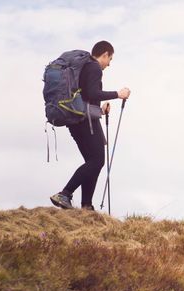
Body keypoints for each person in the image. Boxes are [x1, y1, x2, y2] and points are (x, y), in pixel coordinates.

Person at [50, 41, 131, 210]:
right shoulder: (94, 67)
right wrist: (118, 94)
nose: (109, 64)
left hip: (76, 120)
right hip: (85, 122)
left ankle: (87, 206)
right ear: (105, 54)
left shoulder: (85, 67)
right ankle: (65, 194)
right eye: (110, 59)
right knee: (97, 161)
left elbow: (85, 97)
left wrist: (100, 110)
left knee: (92, 161)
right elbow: (92, 93)